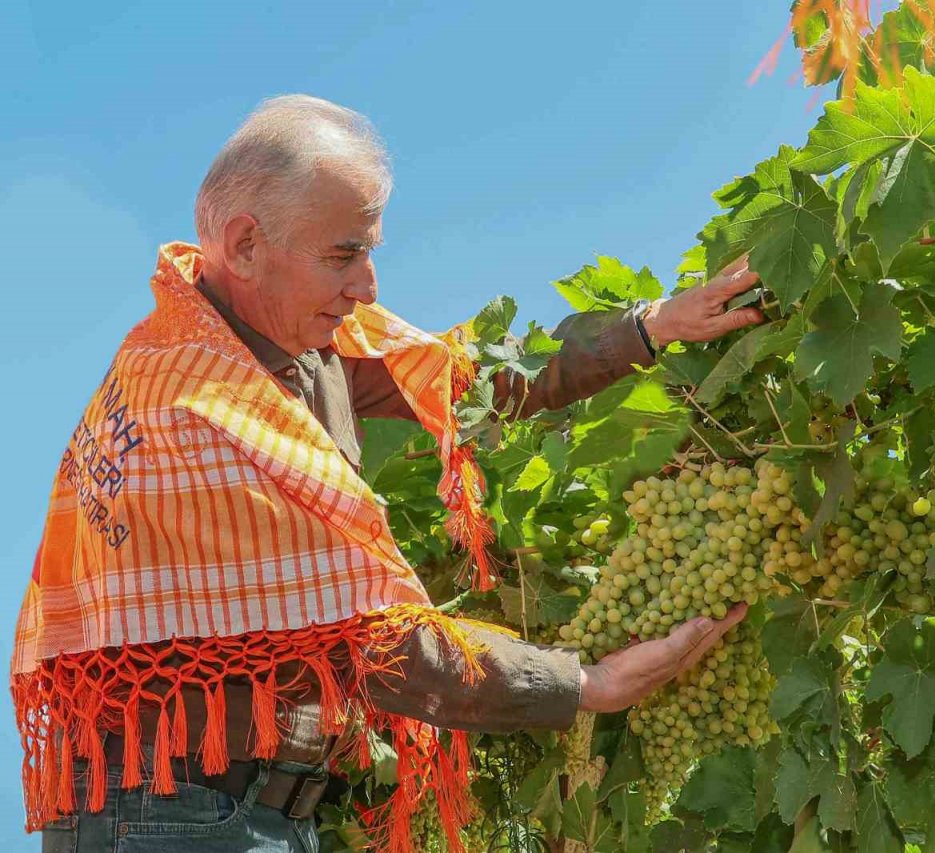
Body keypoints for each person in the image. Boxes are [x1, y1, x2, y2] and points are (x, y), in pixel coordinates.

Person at [14, 95, 765, 853]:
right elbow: (368, 641)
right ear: (244, 245)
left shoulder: (294, 344)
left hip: (242, 815)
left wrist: (649, 328)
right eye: (343, 255)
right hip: (169, 820)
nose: (368, 285)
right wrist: (584, 686)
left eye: (369, 251)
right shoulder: (195, 405)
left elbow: (463, 381)